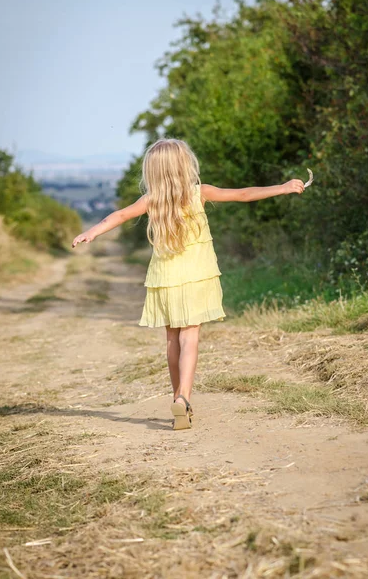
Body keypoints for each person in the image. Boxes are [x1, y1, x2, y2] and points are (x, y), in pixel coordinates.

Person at [72, 139, 304, 430]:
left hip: (166, 278)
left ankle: (177, 398)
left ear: (152, 171)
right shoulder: (199, 193)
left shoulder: (151, 200)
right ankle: (183, 397)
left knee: (172, 340)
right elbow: (243, 194)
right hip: (198, 275)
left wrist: (92, 232)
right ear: (185, 165)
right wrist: (282, 187)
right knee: (189, 337)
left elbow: (118, 215)